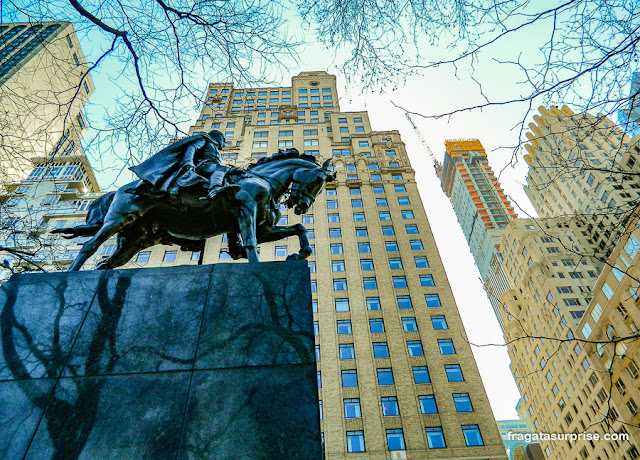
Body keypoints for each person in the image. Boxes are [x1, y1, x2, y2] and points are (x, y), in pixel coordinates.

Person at [129, 129, 239, 200]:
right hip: (204, 166)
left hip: (212, 168)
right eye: (223, 140)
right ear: (217, 137)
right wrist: (188, 162)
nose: (224, 144)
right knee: (223, 169)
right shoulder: (206, 140)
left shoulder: (215, 149)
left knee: (226, 171)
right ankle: (215, 189)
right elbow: (192, 148)